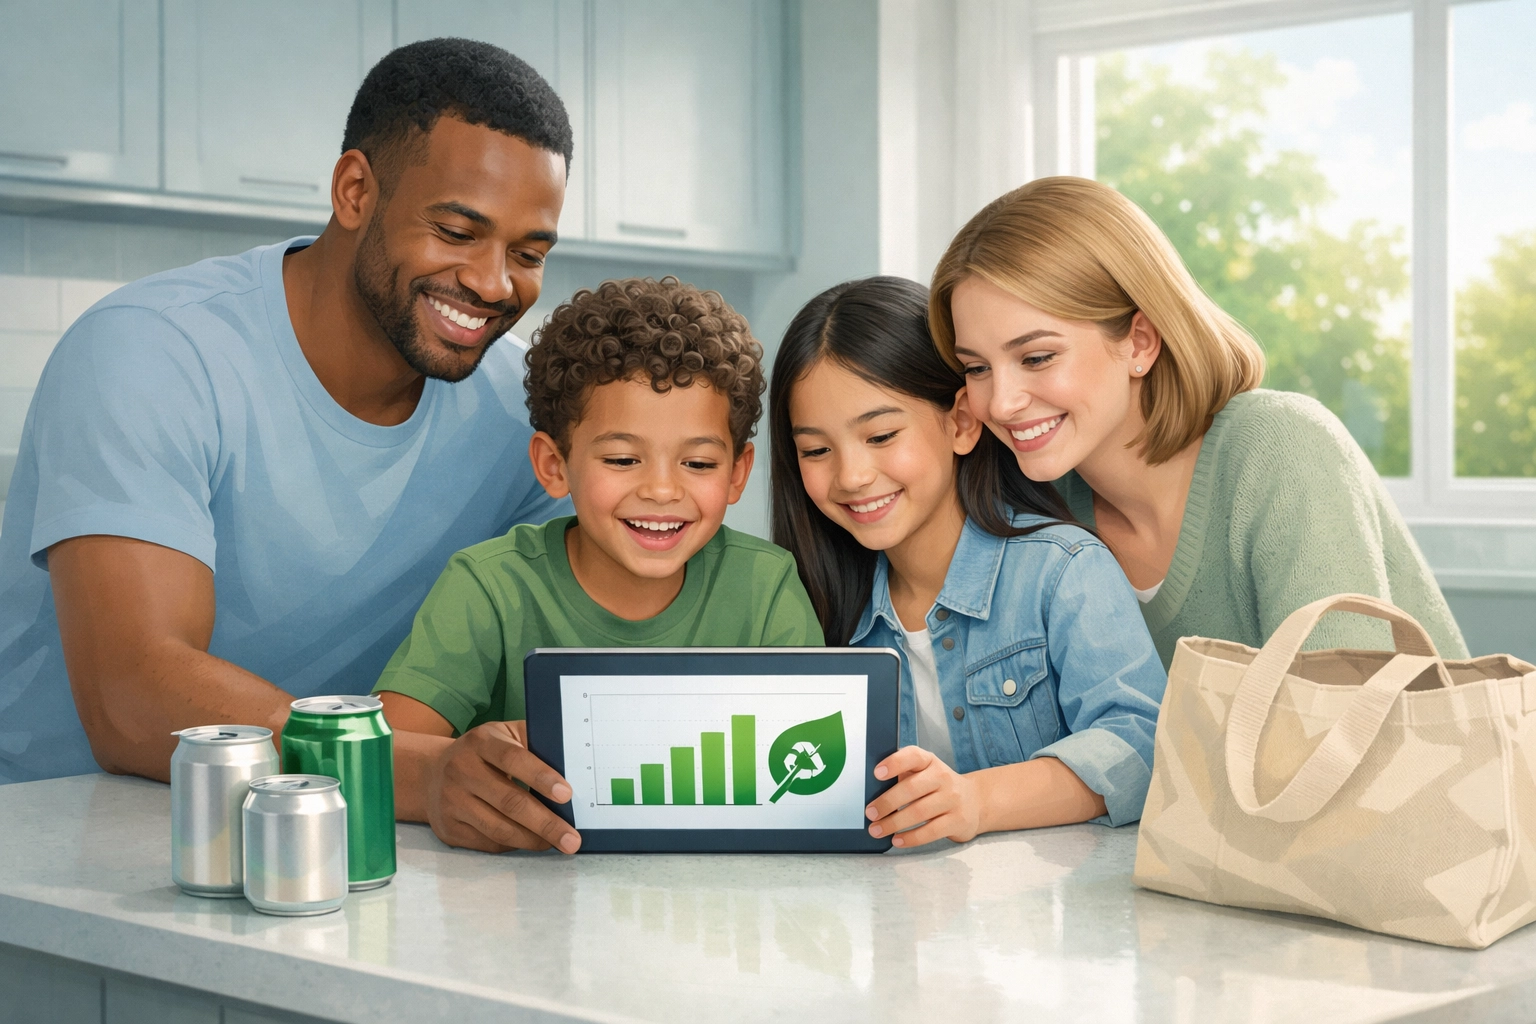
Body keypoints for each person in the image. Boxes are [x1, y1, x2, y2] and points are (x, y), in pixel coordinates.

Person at [0, 38, 575, 785]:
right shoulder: (150, 351)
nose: (494, 285)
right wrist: (421, 775)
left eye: (528, 255)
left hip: (335, 819)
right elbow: (133, 698)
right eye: (457, 233)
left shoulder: (523, 413)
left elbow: (582, 630)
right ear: (355, 191)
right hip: (64, 822)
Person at [929, 176, 1468, 667]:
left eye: (1037, 357)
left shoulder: (1281, 449)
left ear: (1140, 342)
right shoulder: (1043, 509)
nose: (1001, 404)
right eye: (977, 368)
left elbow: (1341, 721)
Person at [374, 277, 824, 854]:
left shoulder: (766, 586)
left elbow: (814, 770)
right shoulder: (490, 586)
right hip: (526, 889)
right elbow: (378, 754)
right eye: (622, 459)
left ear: (737, 473)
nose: (661, 490)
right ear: (554, 465)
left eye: (697, 463)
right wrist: (441, 772)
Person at [768, 276, 1164, 848]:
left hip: (1057, 900)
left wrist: (979, 800)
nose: (851, 476)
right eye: (816, 450)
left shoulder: (1062, 570)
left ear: (960, 422)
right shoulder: (815, 604)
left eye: (881, 435)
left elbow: (1141, 743)